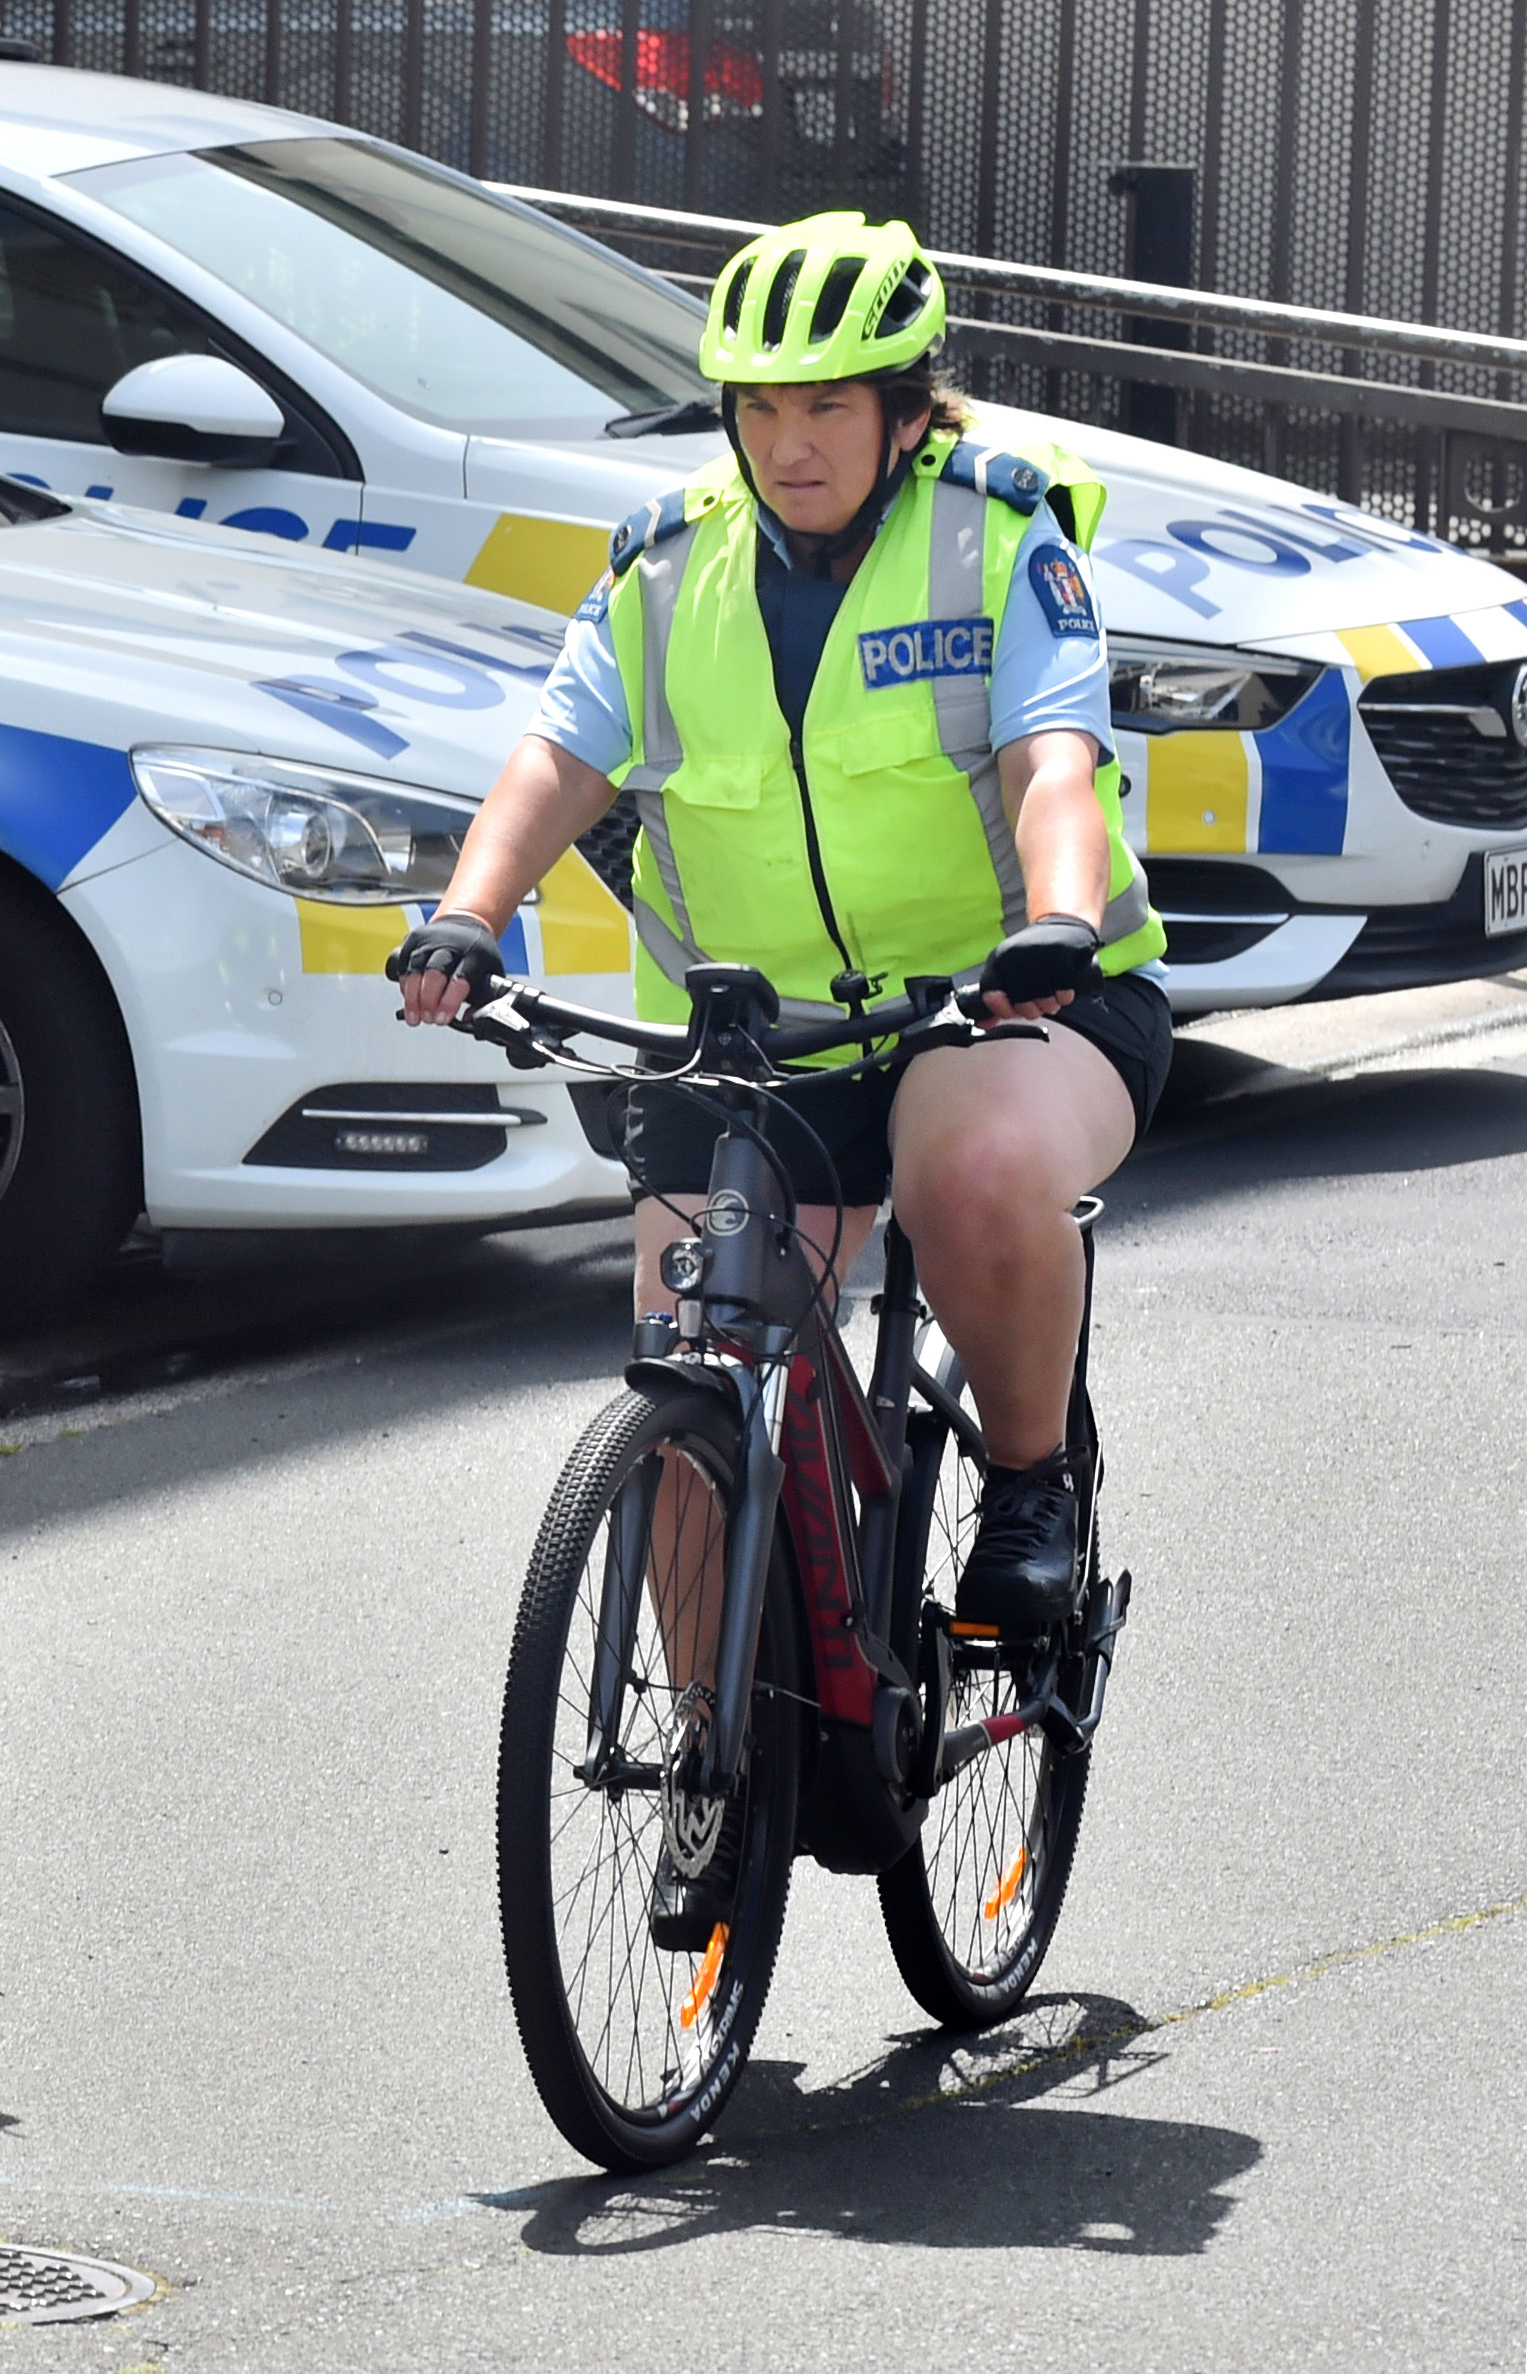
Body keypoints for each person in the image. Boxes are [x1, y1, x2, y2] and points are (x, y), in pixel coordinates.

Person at [391, 211, 1170, 1926]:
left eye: (827, 408)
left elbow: (1056, 760)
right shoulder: (669, 568)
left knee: (966, 1165)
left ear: (907, 411)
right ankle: (716, 1750)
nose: (789, 443)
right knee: (692, 1363)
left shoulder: (996, 542)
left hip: (1013, 1004)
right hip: (773, 1031)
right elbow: (555, 759)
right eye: (757, 410)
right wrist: (466, 912)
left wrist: (1051, 919)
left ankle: (1029, 1486)